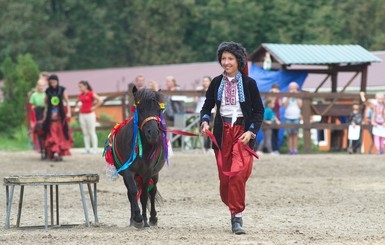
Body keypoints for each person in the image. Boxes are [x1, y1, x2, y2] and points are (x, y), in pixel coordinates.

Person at [200, 42, 264, 235]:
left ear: (238, 61)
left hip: (242, 134)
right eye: (223, 58)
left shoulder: (249, 83)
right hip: (222, 133)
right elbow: (207, 107)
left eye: (230, 59)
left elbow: (259, 111)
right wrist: (204, 121)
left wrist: (251, 131)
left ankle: (236, 217)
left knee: (237, 174)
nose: (226, 62)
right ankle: (232, 205)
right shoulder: (216, 82)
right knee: (225, 179)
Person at [43, 74, 73, 161]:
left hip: (60, 115)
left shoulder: (62, 89)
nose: (53, 84)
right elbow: (45, 101)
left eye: (54, 82)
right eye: (51, 82)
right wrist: (45, 111)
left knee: (61, 134)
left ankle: (59, 152)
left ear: (57, 81)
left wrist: (69, 112)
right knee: (52, 133)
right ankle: (54, 152)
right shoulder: (48, 91)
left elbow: (67, 101)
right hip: (51, 115)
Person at [74, 81, 103, 154]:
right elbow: (76, 102)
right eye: (79, 87)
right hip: (82, 114)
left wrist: (94, 107)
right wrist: (78, 107)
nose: (80, 88)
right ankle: (87, 148)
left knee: (91, 131)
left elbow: (100, 100)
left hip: (90, 114)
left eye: (81, 86)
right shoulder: (81, 95)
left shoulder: (91, 93)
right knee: (85, 132)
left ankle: (95, 148)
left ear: (85, 86)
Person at [282, 82, 302, 155]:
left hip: (296, 116)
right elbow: (284, 105)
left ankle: (295, 149)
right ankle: (290, 150)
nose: (292, 89)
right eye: (291, 88)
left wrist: (296, 96)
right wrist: (289, 96)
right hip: (288, 116)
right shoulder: (286, 95)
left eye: (294, 88)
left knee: (296, 134)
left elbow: (300, 105)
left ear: (296, 88)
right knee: (289, 134)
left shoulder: (299, 95)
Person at [195, 76, 213, 153]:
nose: (205, 82)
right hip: (200, 111)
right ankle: (203, 147)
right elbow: (195, 100)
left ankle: (208, 147)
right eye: (203, 81)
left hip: (211, 111)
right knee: (201, 129)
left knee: (209, 129)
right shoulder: (200, 91)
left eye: (206, 81)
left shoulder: (212, 90)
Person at [29, 80, 47, 152]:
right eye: (40, 86)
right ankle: (40, 146)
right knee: (38, 130)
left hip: (44, 113)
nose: (41, 87)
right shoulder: (34, 95)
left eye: (42, 86)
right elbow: (31, 105)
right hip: (38, 113)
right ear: (37, 86)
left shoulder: (46, 94)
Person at [269, 84, 282, 154]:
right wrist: (272, 94)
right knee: (269, 134)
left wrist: (278, 95)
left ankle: (276, 149)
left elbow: (280, 104)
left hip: (277, 116)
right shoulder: (269, 96)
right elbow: (270, 104)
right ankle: (270, 149)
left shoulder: (278, 97)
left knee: (276, 134)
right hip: (269, 117)